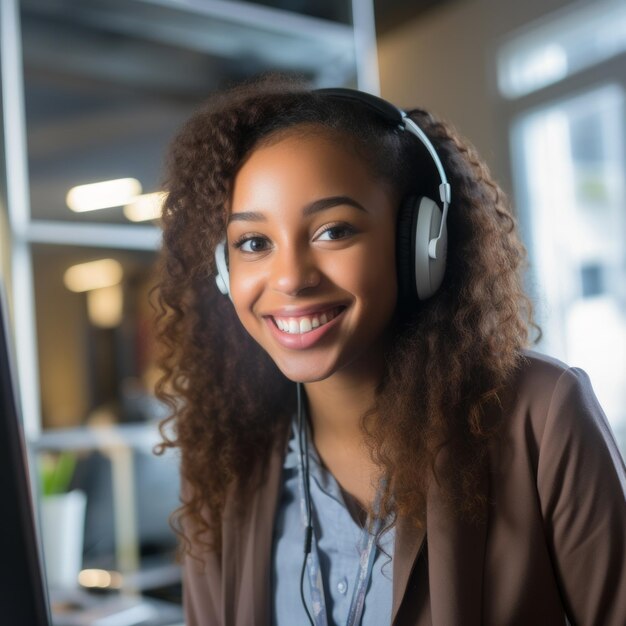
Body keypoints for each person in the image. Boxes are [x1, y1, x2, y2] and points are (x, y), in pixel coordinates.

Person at [154, 75, 626, 625]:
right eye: (254, 243)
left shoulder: (542, 415)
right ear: (223, 269)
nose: (289, 279)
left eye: (333, 231)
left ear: (421, 245)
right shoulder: (225, 454)